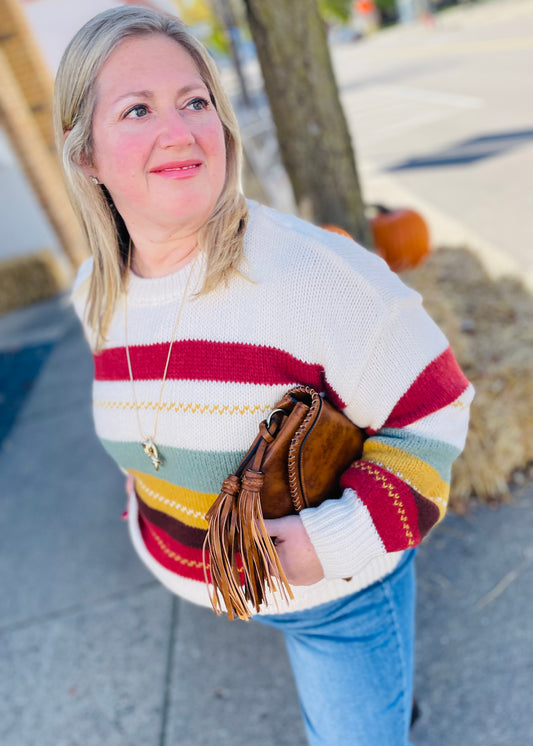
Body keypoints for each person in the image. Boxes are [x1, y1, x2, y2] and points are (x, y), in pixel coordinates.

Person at [54, 6, 473, 745]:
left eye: (195, 101)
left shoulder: (312, 275)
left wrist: (330, 543)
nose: (179, 129)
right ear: (86, 154)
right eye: (137, 109)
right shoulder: (96, 289)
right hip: (225, 584)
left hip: (335, 599)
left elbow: (435, 414)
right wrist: (154, 492)